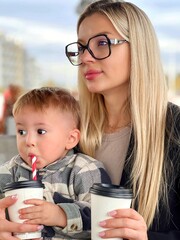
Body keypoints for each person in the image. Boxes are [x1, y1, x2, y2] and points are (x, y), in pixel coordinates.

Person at [65, 0, 180, 240]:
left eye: (102, 43)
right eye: (81, 47)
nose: (86, 58)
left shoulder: (175, 130)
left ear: (139, 48)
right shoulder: (70, 129)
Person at [0, 86, 111, 239]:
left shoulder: (84, 170)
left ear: (70, 139)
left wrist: (60, 215)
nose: (29, 141)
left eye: (41, 131)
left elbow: (103, 218)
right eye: (22, 132)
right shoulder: (9, 171)